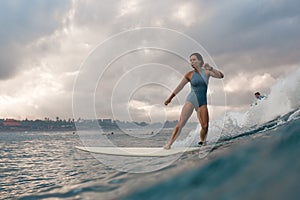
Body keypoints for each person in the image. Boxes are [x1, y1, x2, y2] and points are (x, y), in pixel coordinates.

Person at [164, 53, 224, 149]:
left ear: (200, 61)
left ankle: (203, 142)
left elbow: (221, 76)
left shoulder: (207, 72)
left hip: (202, 101)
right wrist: (170, 98)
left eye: (194, 59)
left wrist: (211, 68)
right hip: (191, 100)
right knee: (181, 122)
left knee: (205, 125)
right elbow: (180, 86)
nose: (192, 62)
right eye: (191, 60)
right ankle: (169, 144)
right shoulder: (189, 74)